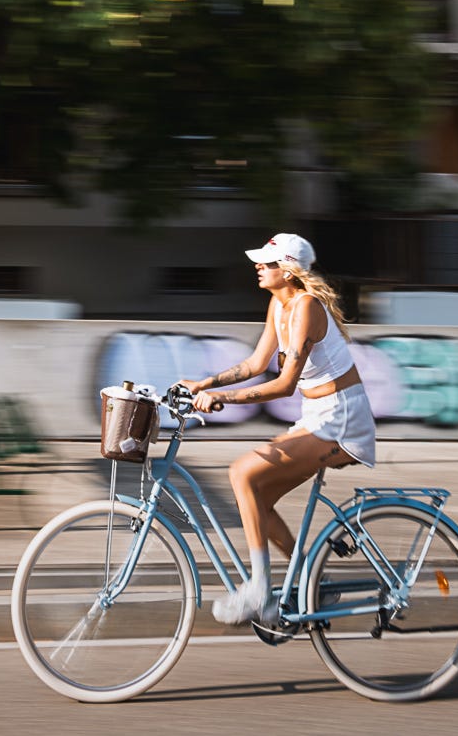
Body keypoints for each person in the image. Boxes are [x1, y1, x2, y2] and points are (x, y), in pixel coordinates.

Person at [177, 233, 375, 625]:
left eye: (266, 263)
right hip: (317, 414)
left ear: (287, 269)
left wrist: (226, 400)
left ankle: (261, 591)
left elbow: (284, 384)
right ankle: (308, 579)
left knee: (242, 472)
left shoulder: (305, 307)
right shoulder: (278, 304)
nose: (258, 267)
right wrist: (205, 384)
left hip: (341, 419)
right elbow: (254, 364)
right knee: (257, 497)